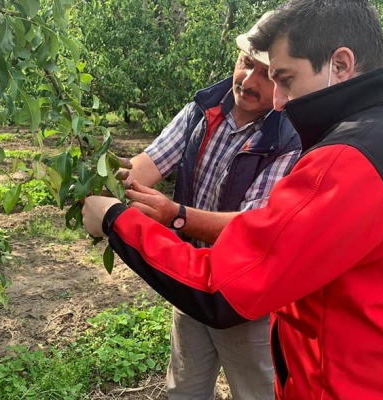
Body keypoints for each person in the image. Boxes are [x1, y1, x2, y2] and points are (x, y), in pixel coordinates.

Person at [82, 0, 383, 399]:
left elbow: (226, 285)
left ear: (340, 64)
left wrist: (117, 220)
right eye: (245, 63)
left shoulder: (345, 160)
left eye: (282, 77)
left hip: (342, 378)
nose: (280, 98)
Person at [115, 13, 300, 400]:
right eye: (246, 64)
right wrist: (102, 174)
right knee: (184, 388)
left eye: (266, 74)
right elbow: (149, 163)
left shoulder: (288, 139)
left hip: (244, 295)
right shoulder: (203, 110)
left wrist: (175, 215)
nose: (249, 81)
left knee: (257, 392)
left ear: (284, 80)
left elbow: (253, 225)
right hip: (192, 277)